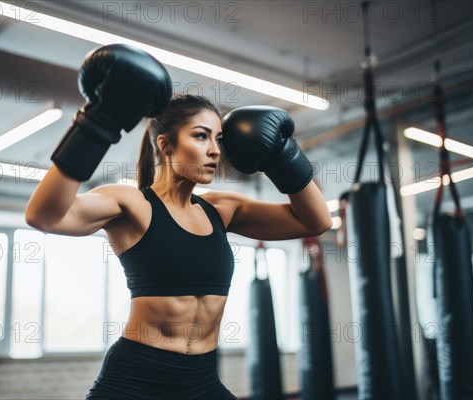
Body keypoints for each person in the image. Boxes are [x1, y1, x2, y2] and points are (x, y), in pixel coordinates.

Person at [25, 44, 332, 400]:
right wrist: (100, 120)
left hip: (201, 380)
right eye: (201, 136)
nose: (216, 150)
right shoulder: (132, 204)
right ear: (166, 145)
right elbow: (44, 215)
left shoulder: (221, 209)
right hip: (135, 381)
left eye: (218, 138)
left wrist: (284, 156)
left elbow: (316, 220)